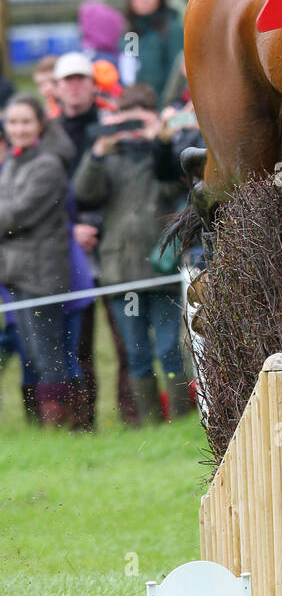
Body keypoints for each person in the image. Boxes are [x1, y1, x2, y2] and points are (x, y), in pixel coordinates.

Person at [72, 84, 191, 422]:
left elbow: (173, 184)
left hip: (160, 269)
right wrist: (97, 153)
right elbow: (84, 193)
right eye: (128, 122)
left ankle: (180, 419)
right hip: (121, 272)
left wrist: (160, 143)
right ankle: (150, 424)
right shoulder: (108, 156)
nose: (133, 130)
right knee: (136, 353)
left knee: (169, 351)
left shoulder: (162, 154)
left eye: (140, 122)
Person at [54, 52, 136, 427]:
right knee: (78, 344)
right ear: (56, 88)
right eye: (67, 80)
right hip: (68, 249)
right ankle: (81, 424)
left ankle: (136, 420)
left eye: (81, 79)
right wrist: (70, 230)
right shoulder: (47, 134)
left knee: (125, 339)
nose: (74, 86)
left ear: (92, 83)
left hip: (113, 240)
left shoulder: (111, 124)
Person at [0, 96, 75, 424]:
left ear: (40, 126)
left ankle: (63, 424)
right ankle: (45, 426)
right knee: (31, 353)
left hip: (42, 274)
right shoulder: (14, 162)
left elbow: (17, 215)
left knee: (48, 355)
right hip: (16, 272)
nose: (18, 129)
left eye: (25, 122)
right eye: (13, 122)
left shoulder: (47, 164)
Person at [124, 0, 184, 105]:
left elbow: (175, 72)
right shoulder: (131, 34)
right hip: (135, 107)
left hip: (164, 105)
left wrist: (166, 106)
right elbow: (128, 71)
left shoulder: (171, 29)